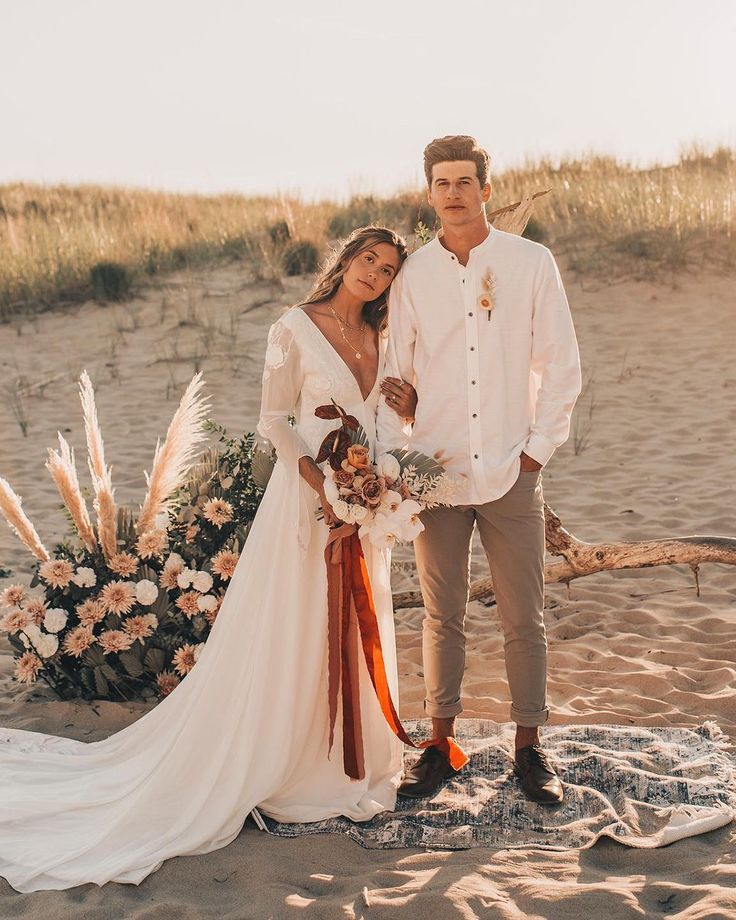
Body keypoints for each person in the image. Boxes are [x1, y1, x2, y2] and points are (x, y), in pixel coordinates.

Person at [0, 226, 417, 893]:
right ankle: (289, 760)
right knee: (295, 620)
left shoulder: (385, 340)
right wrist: (320, 480)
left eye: (389, 269)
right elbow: (274, 419)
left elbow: (388, 426)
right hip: (306, 497)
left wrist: (379, 475)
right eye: (368, 260)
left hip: (364, 504)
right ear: (344, 262)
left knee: (352, 619)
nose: (375, 274)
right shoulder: (295, 326)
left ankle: (348, 760)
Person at [377, 135, 582, 804]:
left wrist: (535, 451)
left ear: (486, 190)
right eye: (443, 183)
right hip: (433, 467)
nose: (455, 192)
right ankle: (439, 746)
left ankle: (530, 750)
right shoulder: (411, 277)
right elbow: (394, 374)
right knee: (443, 616)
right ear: (429, 193)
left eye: (466, 181)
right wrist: (403, 435)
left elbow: (561, 363)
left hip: (509, 467)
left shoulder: (530, 262)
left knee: (525, 614)